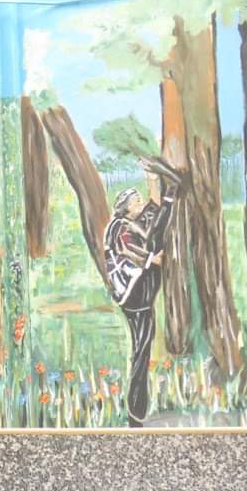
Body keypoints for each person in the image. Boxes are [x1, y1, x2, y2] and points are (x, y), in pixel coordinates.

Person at [104, 158, 181, 427]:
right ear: (126, 209)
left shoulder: (130, 223)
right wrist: (151, 260)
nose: (140, 206)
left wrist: (151, 179)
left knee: (142, 348)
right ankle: (136, 412)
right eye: (135, 203)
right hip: (135, 296)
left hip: (139, 295)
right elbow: (129, 250)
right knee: (141, 350)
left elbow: (154, 213)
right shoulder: (120, 228)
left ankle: (137, 410)